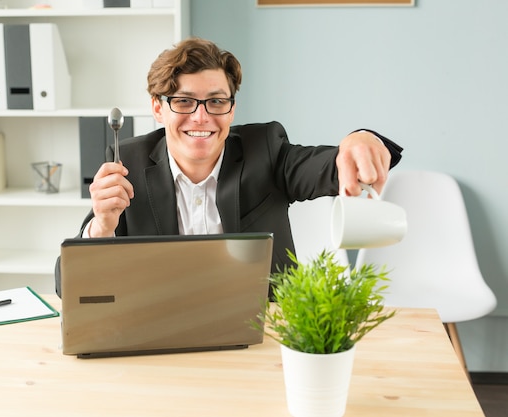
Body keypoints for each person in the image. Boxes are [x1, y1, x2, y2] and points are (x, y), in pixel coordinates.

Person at [56, 37, 402, 296]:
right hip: (162, 328)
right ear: (159, 109)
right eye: (184, 101)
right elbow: (64, 284)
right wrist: (102, 227)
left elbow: (331, 166)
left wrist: (360, 138)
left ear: (232, 109)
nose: (202, 116)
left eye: (217, 101)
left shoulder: (265, 149)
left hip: (261, 328)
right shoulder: (127, 163)